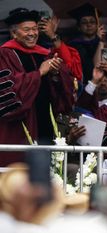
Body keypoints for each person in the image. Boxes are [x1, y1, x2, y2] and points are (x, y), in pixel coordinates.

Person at [0, 9, 74, 166]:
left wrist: (55, 74)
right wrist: (39, 72)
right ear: (14, 34)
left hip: (46, 120)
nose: (32, 33)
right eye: (26, 29)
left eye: (34, 29)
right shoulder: (5, 54)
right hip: (20, 125)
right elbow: (8, 90)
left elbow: (63, 92)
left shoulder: (44, 53)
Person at [68, 3, 101, 85]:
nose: (89, 24)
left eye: (92, 21)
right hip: (81, 84)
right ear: (79, 27)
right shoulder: (72, 46)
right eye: (84, 22)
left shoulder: (104, 43)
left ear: (97, 25)